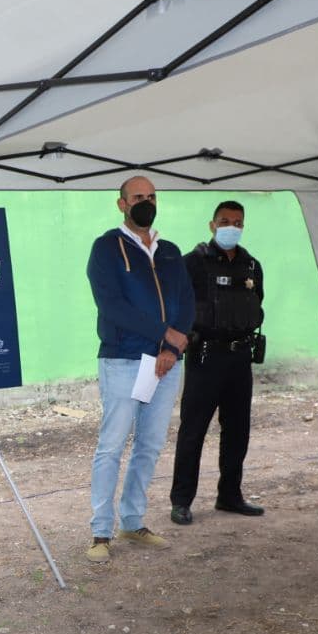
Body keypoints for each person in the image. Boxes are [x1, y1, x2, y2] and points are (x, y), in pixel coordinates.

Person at [85, 175, 195, 562]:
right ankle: (101, 532)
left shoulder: (171, 252)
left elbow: (187, 302)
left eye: (151, 196)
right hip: (123, 360)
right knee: (112, 447)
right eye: (137, 197)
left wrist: (171, 348)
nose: (146, 203)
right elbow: (112, 306)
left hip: (166, 364)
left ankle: (132, 522)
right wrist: (164, 334)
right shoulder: (106, 248)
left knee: (148, 446)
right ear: (122, 205)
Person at [168, 200, 265, 525]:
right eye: (225, 221)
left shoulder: (251, 266)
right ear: (212, 225)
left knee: (237, 431)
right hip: (205, 358)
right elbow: (177, 306)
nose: (231, 227)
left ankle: (230, 495)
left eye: (237, 222)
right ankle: (181, 500)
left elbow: (257, 304)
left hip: (240, 359)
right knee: (193, 431)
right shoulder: (193, 263)